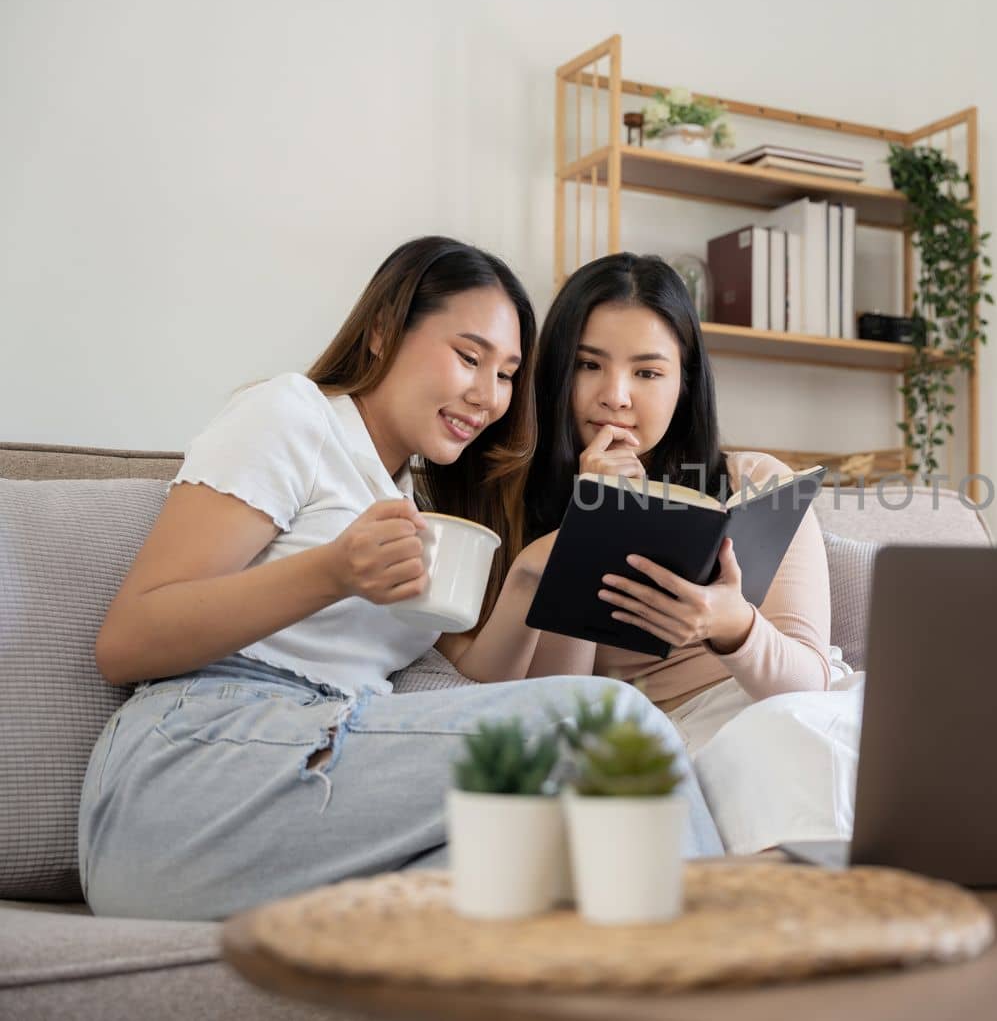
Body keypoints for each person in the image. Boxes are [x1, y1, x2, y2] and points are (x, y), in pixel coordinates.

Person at [82, 237, 722, 921]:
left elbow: (499, 687)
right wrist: (332, 571)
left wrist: (550, 557)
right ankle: (757, 960)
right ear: (385, 329)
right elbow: (126, 641)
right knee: (619, 723)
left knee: (560, 871)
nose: (489, 396)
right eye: (469, 357)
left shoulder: (412, 505)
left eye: (507, 373)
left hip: (316, 777)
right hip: (186, 771)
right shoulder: (293, 414)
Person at [521, 251, 861, 853]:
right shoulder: (524, 505)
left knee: (800, 738)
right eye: (588, 365)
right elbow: (556, 699)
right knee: (762, 757)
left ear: (685, 381)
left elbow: (809, 680)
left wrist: (732, 627)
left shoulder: (757, 479)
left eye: (648, 373)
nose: (616, 397)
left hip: (787, 704)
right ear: (553, 373)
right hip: (670, 732)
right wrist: (591, 516)